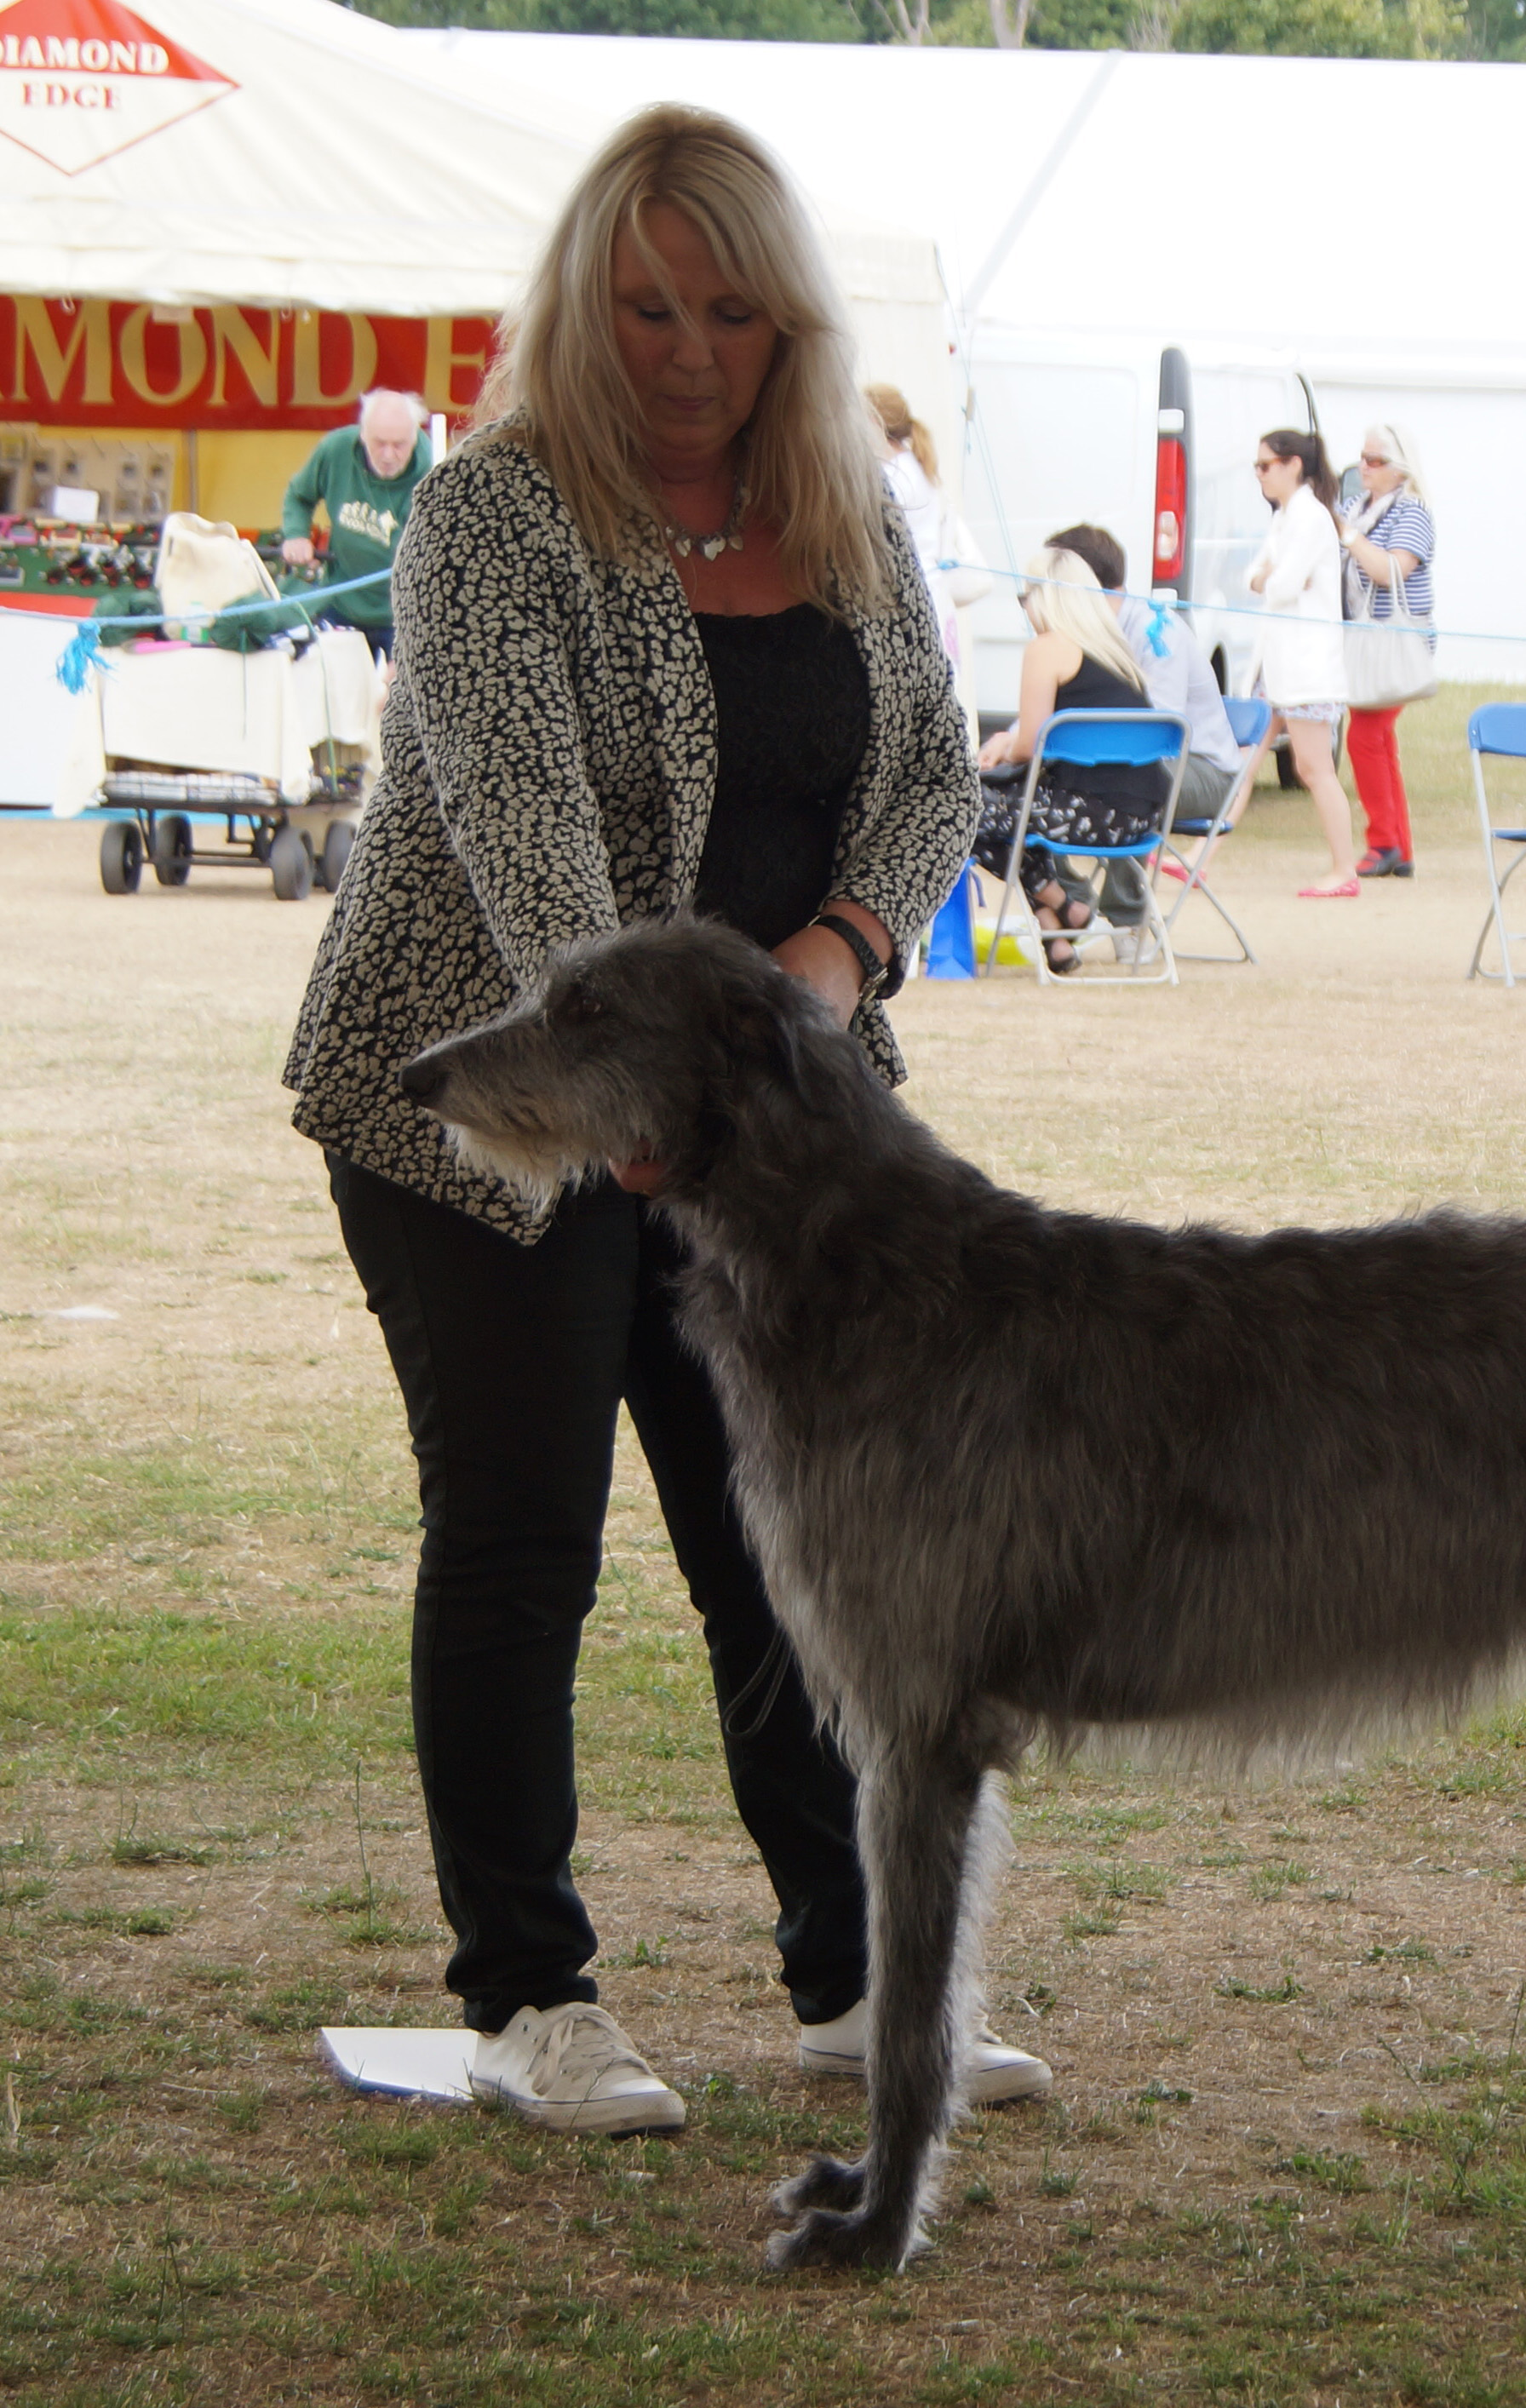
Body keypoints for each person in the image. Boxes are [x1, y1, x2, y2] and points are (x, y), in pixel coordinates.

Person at [284, 104, 1049, 2132]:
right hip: (490, 1101)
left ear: (789, 321)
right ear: (581, 303)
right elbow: (535, 854)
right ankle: (531, 2001)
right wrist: (653, 1103)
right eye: (646, 304)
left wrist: (840, 963)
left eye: (728, 306)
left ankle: (851, 1981)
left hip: (765, 1113)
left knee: (783, 1546)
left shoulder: (855, 501)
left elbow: (926, 780)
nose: (689, 346)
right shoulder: (492, 515)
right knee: (526, 1539)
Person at [973, 546, 1171, 972]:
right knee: (1012, 819)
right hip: (1139, 820)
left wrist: (1000, 746)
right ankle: (1056, 940)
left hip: (1082, 812)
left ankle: (1063, 903)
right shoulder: (1117, 653)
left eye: (1026, 598)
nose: (1025, 609)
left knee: (959, 810)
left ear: (1044, 598)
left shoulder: (1047, 649)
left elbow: (1029, 745)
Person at [1043, 519, 1242, 828]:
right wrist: (1012, 739)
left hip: (1204, 770)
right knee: (1038, 779)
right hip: (1137, 764)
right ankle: (1059, 879)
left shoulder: (1158, 634)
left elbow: (1162, 732)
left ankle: (1125, 880)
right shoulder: (1080, 634)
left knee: (1126, 783)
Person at [1245, 429, 1356, 897]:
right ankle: (1199, 856)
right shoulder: (1285, 518)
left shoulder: (1310, 518)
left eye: (1265, 466)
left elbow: (1281, 583)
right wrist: (1267, 577)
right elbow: (1251, 576)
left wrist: (1267, 577)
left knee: (1313, 769)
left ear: (1293, 465)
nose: (1260, 476)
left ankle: (1344, 869)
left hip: (1308, 668)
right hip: (1280, 664)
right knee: (1246, 757)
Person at [1336, 423, 1436, 880]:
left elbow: (1390, 571)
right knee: (1377, 740)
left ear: (1400, 469)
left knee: (1364, 736)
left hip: (1395, 641)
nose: (1364, 468)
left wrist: (1350, 537)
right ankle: (1398, 845)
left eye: (1375, 462)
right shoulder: (1358, 507)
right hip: (1366, 638)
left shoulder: (1412, 511)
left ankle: (1384, 842)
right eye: (1362, 459)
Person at [278, 390, 431, 659]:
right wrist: (296, 534)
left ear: (416, 436)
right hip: (340, 606)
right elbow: (299, 496)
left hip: (404, 619)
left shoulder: (434, 468)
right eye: (379, 443)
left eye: (399, 445)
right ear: (363, 434)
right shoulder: (335, 449)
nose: (388, 455)